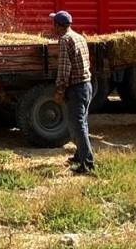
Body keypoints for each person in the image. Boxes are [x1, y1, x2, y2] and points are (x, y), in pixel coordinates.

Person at [51, 10, 94, 174]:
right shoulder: (79, 37)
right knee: (82, 123)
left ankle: (87, 164)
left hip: (76, 88)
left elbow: (64, 68)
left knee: (78, 126)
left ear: (57, 26)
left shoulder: (65, 40)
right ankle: (79, 156)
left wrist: (60, 89)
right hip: (86, 85)